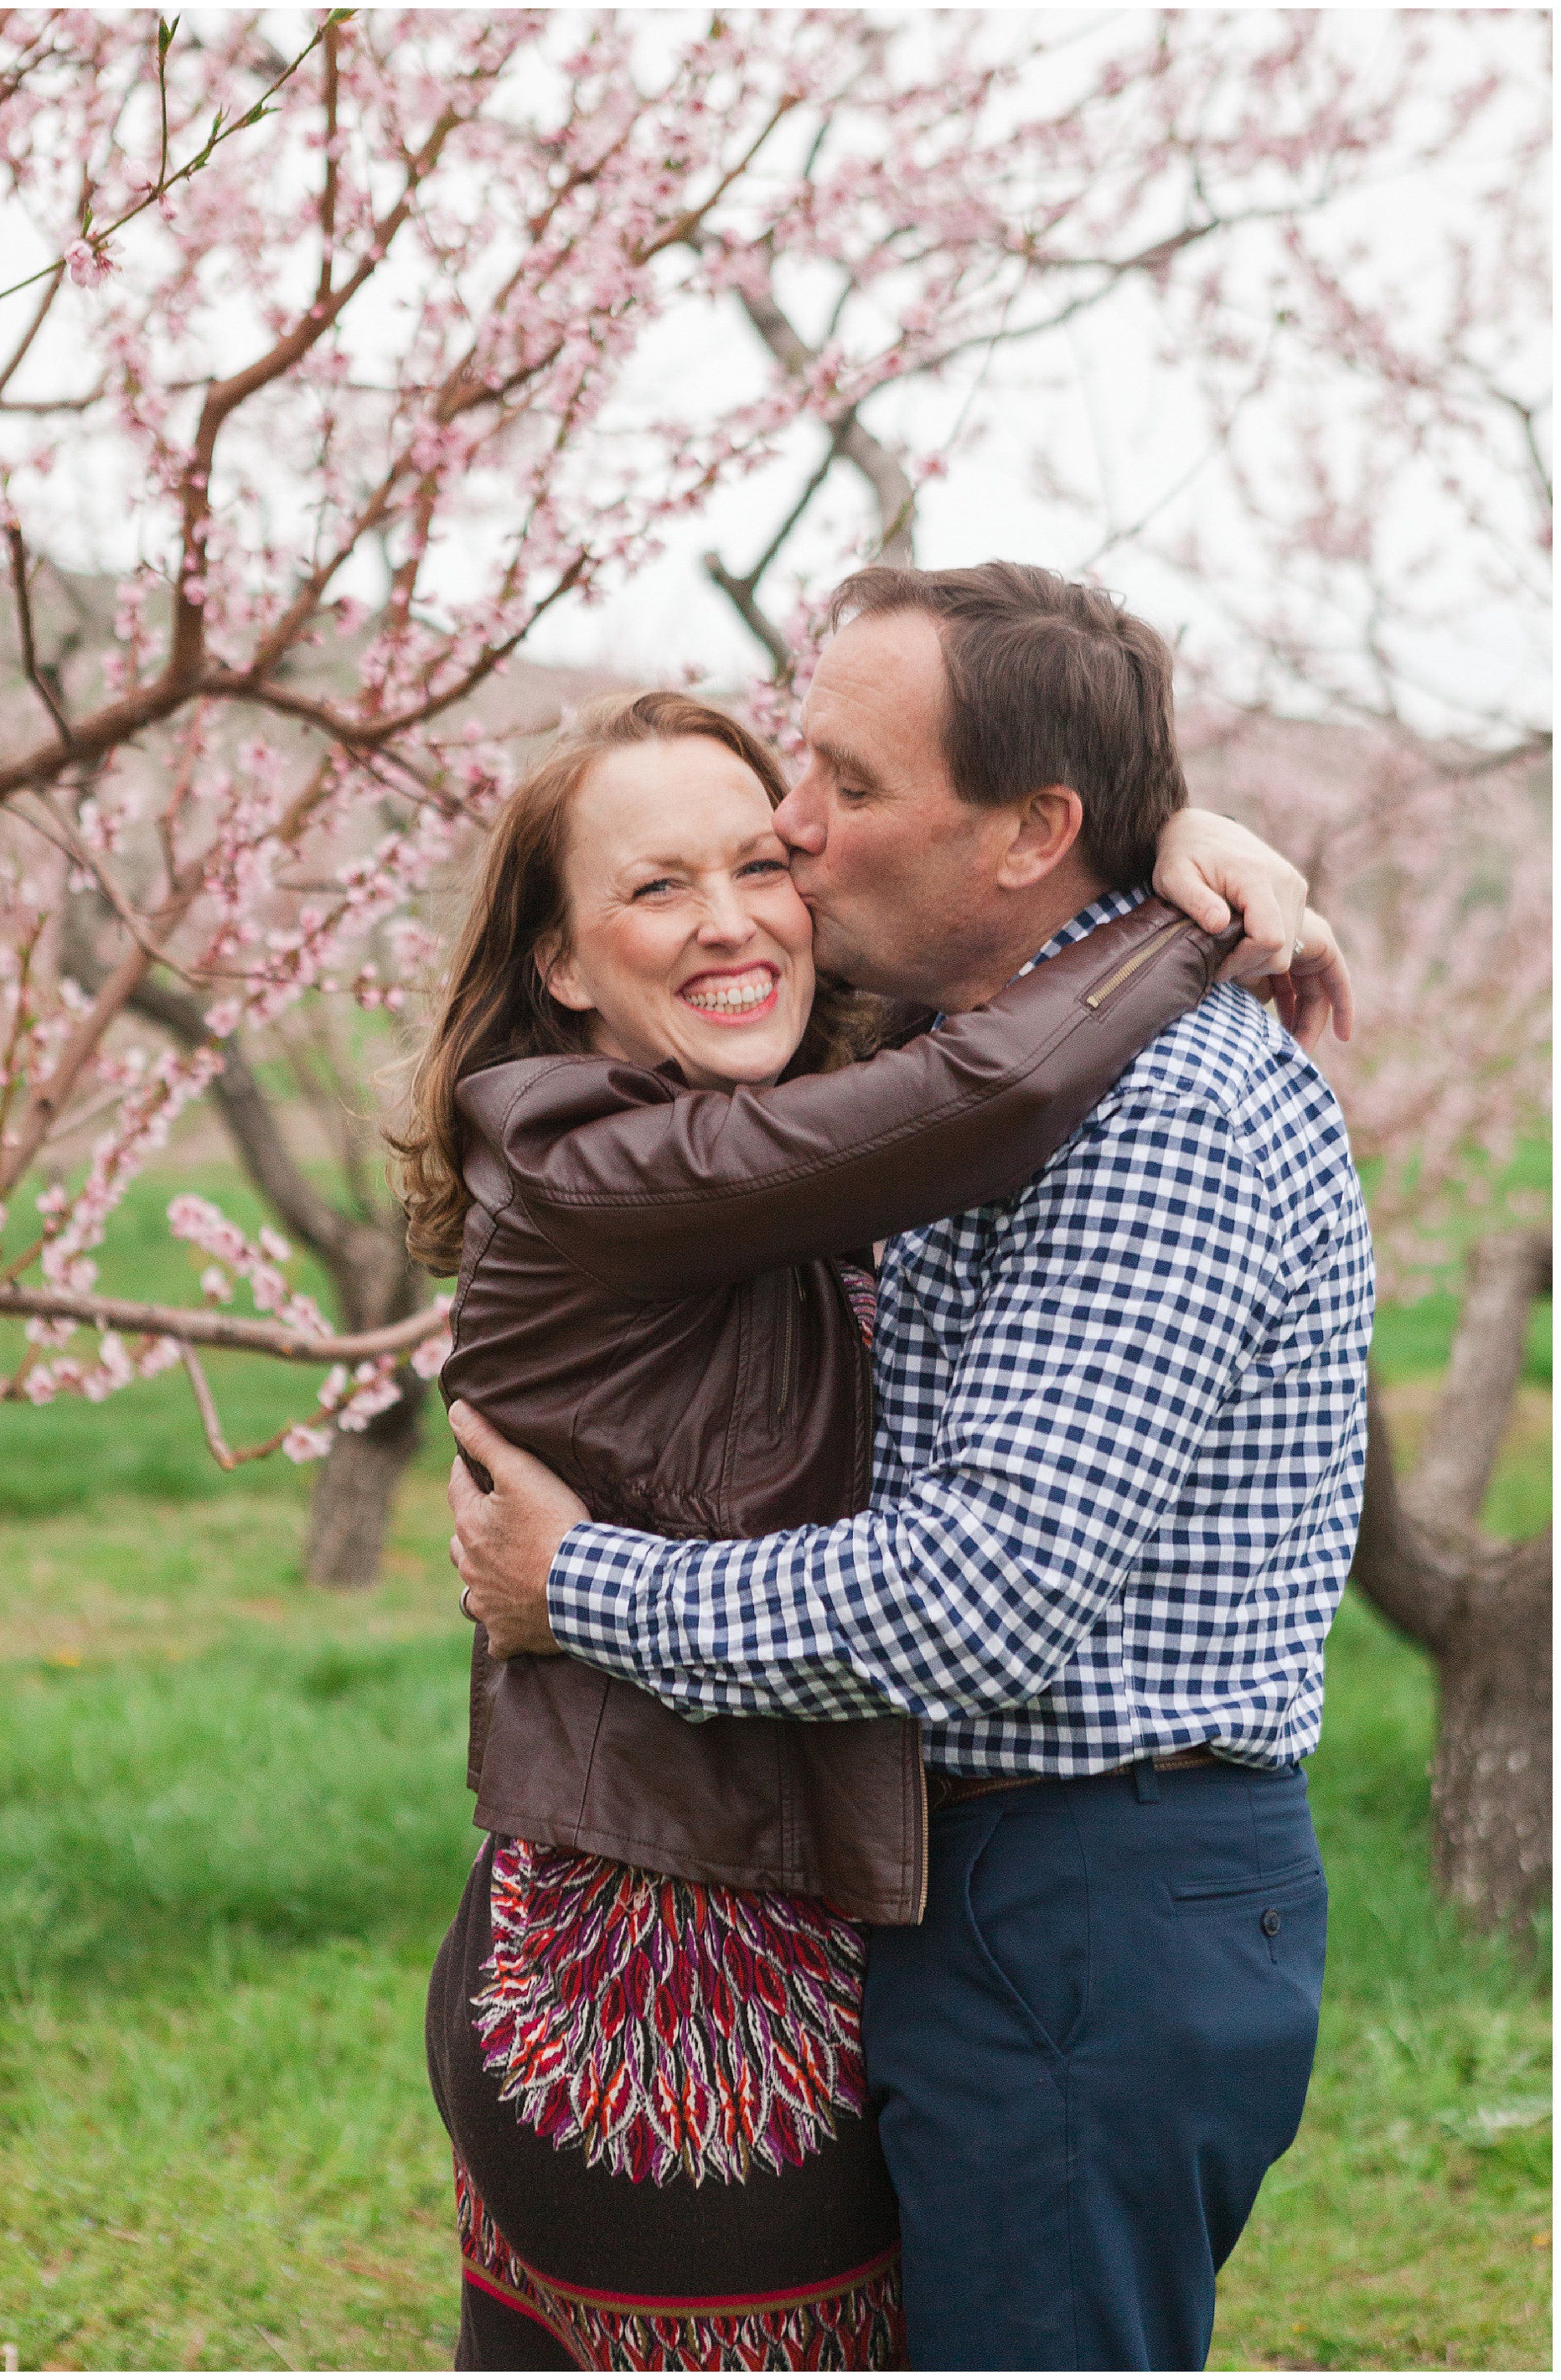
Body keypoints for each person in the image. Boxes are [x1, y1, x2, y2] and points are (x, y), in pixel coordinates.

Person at [447, 562, 1374, 2374]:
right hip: (802, 1913)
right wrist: (1153, 858)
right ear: (560, 958)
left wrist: (580, 1586)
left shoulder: (1151, 1108)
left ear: (1031, 832)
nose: (791, 842)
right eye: (799, 769)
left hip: (1080, 1886)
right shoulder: (807, 1103)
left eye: (841, 789)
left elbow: (979, 1592)